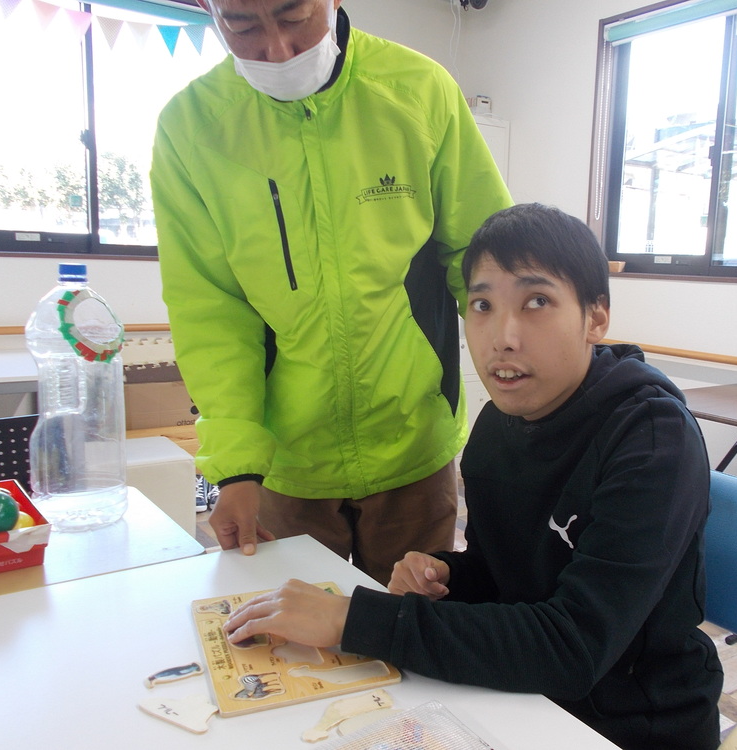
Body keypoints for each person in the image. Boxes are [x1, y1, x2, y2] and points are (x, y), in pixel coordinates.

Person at [220, 203, 724, 750]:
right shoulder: (499, 425)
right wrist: (449, 575)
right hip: (520, 700)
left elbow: (573, 648)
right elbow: (501, 573)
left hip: (629, 724)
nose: (502, 337)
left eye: (537, 302)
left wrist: (354, 620)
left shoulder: (651, 438)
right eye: (482, 305)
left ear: (595, 318)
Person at [150, 0, 512, 584]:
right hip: (285, 462)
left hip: (413, 441)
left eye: (294, 16)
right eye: (241, 24)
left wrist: (524, 401)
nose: (277, 50)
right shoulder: (192, 127)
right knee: (289, 631)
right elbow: (209, 309)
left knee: (415, 626)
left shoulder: (419, 90)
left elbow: (483, 257)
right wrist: (237, 467)